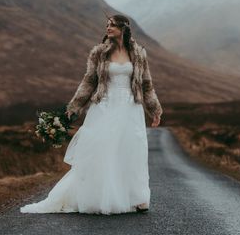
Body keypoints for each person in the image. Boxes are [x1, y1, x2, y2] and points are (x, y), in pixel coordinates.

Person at [20, 14, 163, 215]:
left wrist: (154, 109)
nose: (108, 28)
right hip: (105, 107)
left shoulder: (138, 54)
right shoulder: (99, 53)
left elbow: (146, 83)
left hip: (131, 108)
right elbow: (88, 82)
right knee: (102, 150)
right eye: (106, 25)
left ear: (123, 28)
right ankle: (99, 196)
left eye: (112, 25)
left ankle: (137, 197)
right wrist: (74, 107)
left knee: (132, 151)